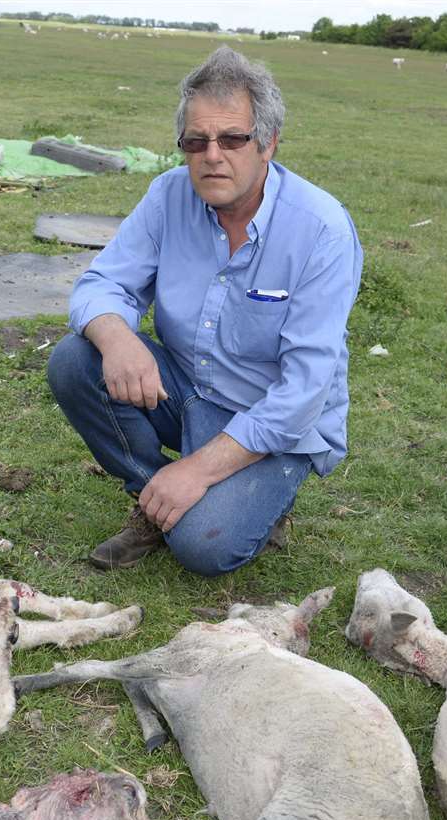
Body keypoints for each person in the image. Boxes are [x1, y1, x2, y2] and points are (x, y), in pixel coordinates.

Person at [48, 46, 364, 575]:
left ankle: (247, 501)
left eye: (232, 139)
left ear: (267, 143)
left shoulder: (321, 229)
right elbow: (100, 285)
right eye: (196, 141)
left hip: (274, 423)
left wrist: (198, 470)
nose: (211, 155)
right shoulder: (169, 195)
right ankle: (153, 499)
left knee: (205, 549)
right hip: (190, 389)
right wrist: (118, 337)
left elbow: (305, 388)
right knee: (75, 360)